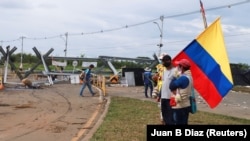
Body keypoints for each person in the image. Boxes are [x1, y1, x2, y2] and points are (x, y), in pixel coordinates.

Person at [169, 58, 193, 125]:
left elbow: (171, 86)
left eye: (178, 66)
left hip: (180, 106)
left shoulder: (183, 78)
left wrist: (174, 76)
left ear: (181, 67)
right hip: (186, 104)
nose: (177, 68)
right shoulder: (189, 77)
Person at [160, 54, 177, 125]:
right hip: (163, 97)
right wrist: (159, 95)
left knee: (171, 116)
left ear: (169, 61)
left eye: (164, 61)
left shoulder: (175, 71)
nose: (163, 63)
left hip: (171, 97)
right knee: (164, 115)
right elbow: (163, 84)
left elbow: (177, 83)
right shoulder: (164, 71)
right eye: (162, 62)